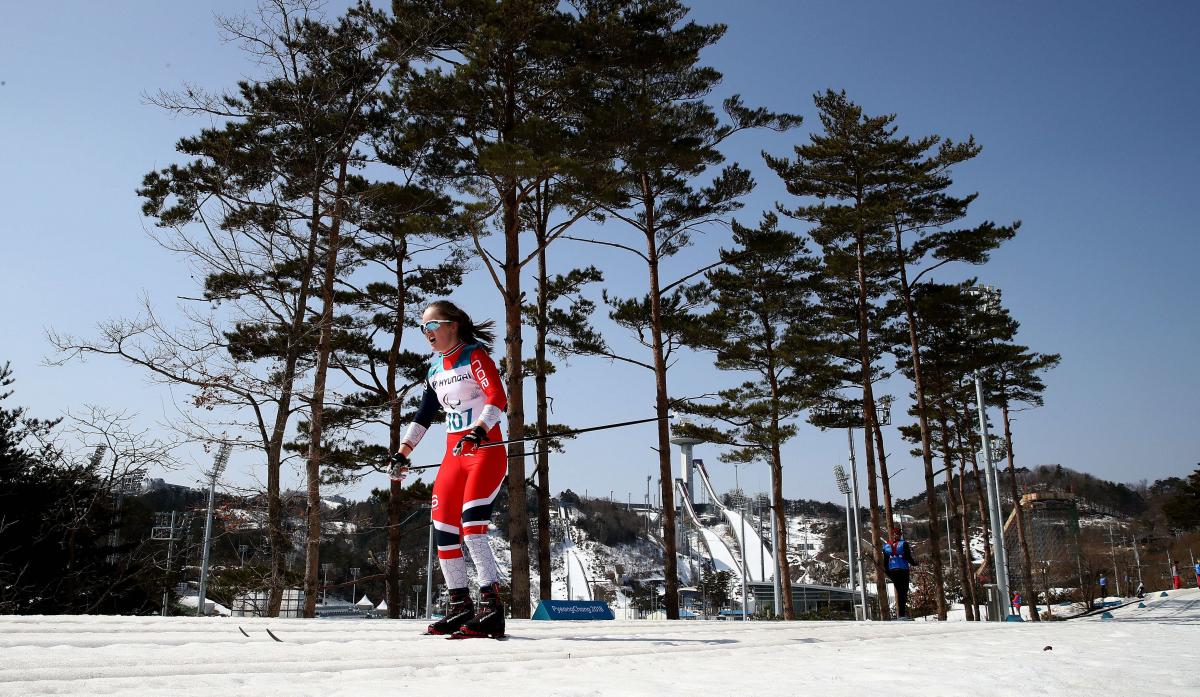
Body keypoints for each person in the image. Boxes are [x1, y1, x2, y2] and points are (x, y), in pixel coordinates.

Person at [389, 300, 508, 639]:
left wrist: (479, 432)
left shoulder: (474, 356)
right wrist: (403, 452)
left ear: (452, 325)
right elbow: (424, 415)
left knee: (472, 526)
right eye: (422, 327)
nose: (426, 333)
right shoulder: (434, 370)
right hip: (454, 456)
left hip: (484, 451)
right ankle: (460, 604)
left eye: (432, 326)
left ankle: (492, 607)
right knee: (443, 529)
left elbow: (497, 397)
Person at [882, 528, 917, 619]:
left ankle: (901, 614)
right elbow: (908, 557)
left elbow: (885, 562)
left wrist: (887, 572)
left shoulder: (886, 546)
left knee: (899, 591)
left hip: (892, 570)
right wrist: (915, 563)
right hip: (903, 570)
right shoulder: (904, 544)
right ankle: (902, 615)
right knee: (903, 592)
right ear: (900, 535)